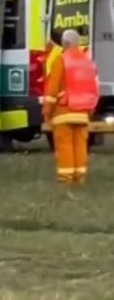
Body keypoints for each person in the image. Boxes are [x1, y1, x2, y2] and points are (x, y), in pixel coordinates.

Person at [43, 28, 99, 183]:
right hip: (83, 112)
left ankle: (66, 177)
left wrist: (47, 111)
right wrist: (90, 109)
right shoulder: (88, 62)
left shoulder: (61, 60)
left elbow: (52, 90)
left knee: (65, 145)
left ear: (66, 43)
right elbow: (95, 87)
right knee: (80, 145)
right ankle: (80, 177)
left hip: (64, 111)